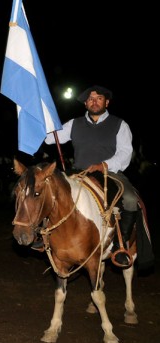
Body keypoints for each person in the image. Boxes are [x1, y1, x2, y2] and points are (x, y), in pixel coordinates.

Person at [43, 85, 137, 268]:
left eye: (99, 98)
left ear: (106, 102)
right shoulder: (74, 123)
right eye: (90, 99)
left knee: (131, 199)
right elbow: (49, 138)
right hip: (79, 173)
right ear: (86, 104)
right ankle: (46, 237)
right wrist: (44, 120)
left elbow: (125, 153)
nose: (94, 101)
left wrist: (104, 165)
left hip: (109, 173)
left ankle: (120, 245)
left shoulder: (120, 124)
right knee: (51, 190)